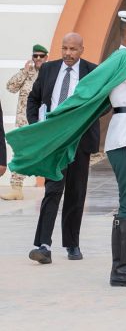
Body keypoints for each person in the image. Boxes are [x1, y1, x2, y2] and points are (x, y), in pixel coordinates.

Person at [7, 10, 126, 286]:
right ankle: (120, 270)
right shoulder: (125, 60)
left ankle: (117, 267)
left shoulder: (122, 61)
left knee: (122, 202)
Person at [25, 33, 99, 263]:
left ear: (82, 50)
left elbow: (103, 104)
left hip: (79, 140)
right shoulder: (48, 69)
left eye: (73, 49)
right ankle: (43, 245)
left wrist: (85, 117)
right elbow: (33, 99)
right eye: (64, 48)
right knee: (52, 190)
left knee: (76, 193)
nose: (68, 53)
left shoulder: (92, 71)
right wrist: (38, 128)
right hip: (55, 142)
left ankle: (72, 244)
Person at [2, 44, 48, 200]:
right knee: (21, 153)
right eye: (35, 56)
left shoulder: (51, 73)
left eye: (41, 56)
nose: (38, 58)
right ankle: (16, 189)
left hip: (44, 123)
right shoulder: (27, 73)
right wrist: (24, 72)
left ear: (46, 57)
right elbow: (10, 87)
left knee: (48, 153)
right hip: (25, 123)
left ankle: (56, 185)